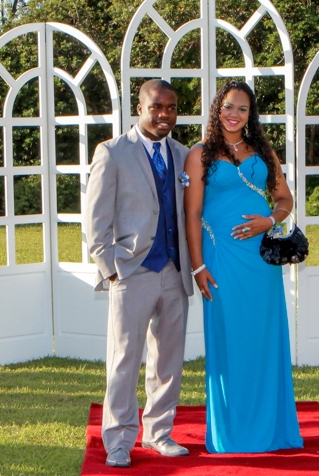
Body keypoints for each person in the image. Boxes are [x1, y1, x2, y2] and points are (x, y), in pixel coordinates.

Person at [184, 80, 303, 453]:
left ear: (251, 115)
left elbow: (285, 199)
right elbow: (192, 214)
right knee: (229, 341)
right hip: (220, 259)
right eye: (229, 106)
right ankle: (233, 432)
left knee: (263, 340)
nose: (234, 114)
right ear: (217, 108)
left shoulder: (262, 151)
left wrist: (270, 220)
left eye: (243, 109)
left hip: (259, 263)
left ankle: (271, 429)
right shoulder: (199, 154)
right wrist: (197, 267)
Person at [86, 79, 194, 468]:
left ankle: (158, 432)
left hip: (174, 271)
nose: (164, 114)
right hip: (131, 271)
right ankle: (118, 440)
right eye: (156, 107)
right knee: (124, 359)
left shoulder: (184, 155)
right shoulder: (113, 152)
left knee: (168, 359)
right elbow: (95, 218)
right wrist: (110, 269)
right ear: (140, 108)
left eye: (171, 107)